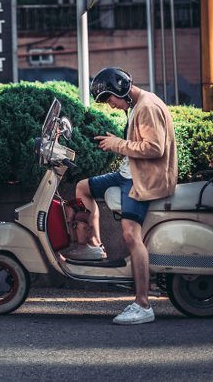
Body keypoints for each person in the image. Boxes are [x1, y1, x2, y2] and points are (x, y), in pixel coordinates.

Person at [66, 67, 177, 325]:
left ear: (122, 92)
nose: (110, 106)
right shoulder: (136, 105)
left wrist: (118, 144)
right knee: (83, 187)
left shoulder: (147, 106)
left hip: (142, 179)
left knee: (130, 235)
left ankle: (143, 304)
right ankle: (93, 246)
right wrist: (118, 144)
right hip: (129, 173)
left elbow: (154, 148)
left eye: (109, 99)